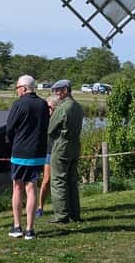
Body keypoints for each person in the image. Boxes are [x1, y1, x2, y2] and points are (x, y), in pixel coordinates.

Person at [4, 74, 49, 240]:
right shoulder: (44, 104)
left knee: (17, 187)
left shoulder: (19, 103)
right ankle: (30, 229)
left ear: (23, 88)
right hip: (38, 152)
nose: (16, 91)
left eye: (17, 88)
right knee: (32, 189)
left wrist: (10, 140)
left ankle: (17, 226)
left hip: (20, 152)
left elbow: (9, 127)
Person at [47, 80, 84, 224]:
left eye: (58, 90)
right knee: (72, 181)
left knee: (58, 180)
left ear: (65, 90)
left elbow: (50, 129)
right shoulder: (78, 107)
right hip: (75, 145)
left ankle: (61, 215)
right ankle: (75, 214)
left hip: (62, 145)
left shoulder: (63, 108)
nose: (56, 93)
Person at [36, 96, 58, 217]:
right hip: (48, 152)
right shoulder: (43, 119)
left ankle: (62, 206)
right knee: (46, 180)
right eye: (46, 107)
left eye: (50, 107)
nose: (48, 109)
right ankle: (40, 207)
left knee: (60, 180)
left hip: (59, 151)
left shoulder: (60, 118)